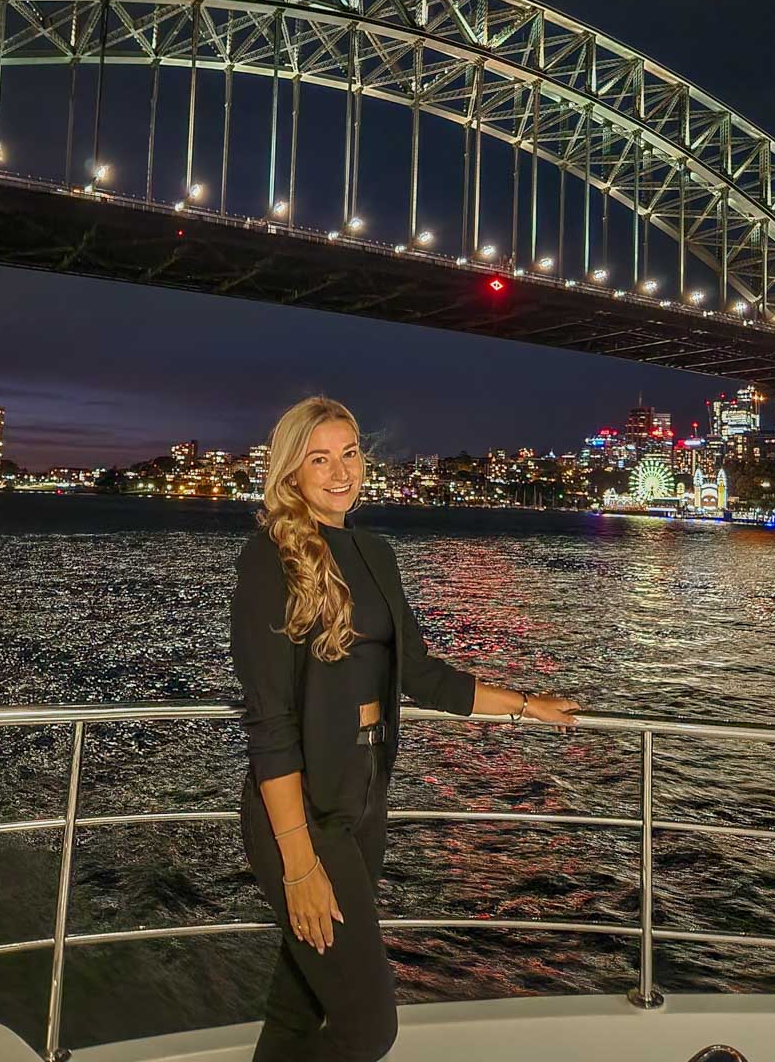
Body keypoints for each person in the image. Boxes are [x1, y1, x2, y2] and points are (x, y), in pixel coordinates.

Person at [231, 396, 581, 1061]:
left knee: (299, 1005)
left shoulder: (374, 554)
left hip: (365, 799)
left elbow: (419, 674)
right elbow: (270, 725)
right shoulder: (269, 559)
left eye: (349, 454)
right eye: (319, 459)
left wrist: (524, 703)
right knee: (369, 1028)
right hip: (303, 814)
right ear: (290, 471)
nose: (341, 473)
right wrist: (299, 864)